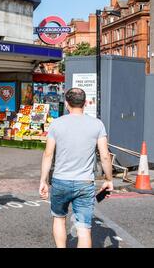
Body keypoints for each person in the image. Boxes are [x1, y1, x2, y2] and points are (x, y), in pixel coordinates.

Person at [39, 88, 114, 248]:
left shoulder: (56, 124)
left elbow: (48, 154)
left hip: (60, 181)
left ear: (67, 104)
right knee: (84, 229)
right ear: (85, 103)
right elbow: (105, 155)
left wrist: (43, 180)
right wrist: (109, 179)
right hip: (85, 182)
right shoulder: (97, 124)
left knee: (59, 219)